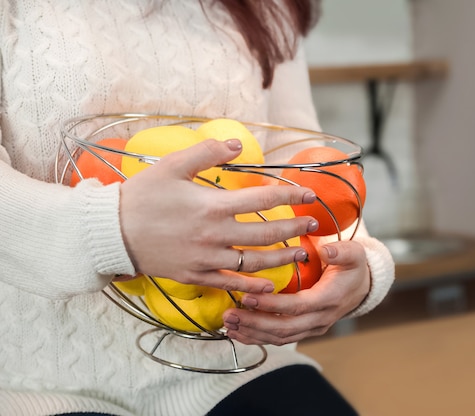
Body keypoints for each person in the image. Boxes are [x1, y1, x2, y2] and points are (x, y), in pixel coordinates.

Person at [0, 1, 395, 415]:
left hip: (234, 366)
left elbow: (302, 159)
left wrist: (360, 268)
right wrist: (113, 230)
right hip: (40, 387)